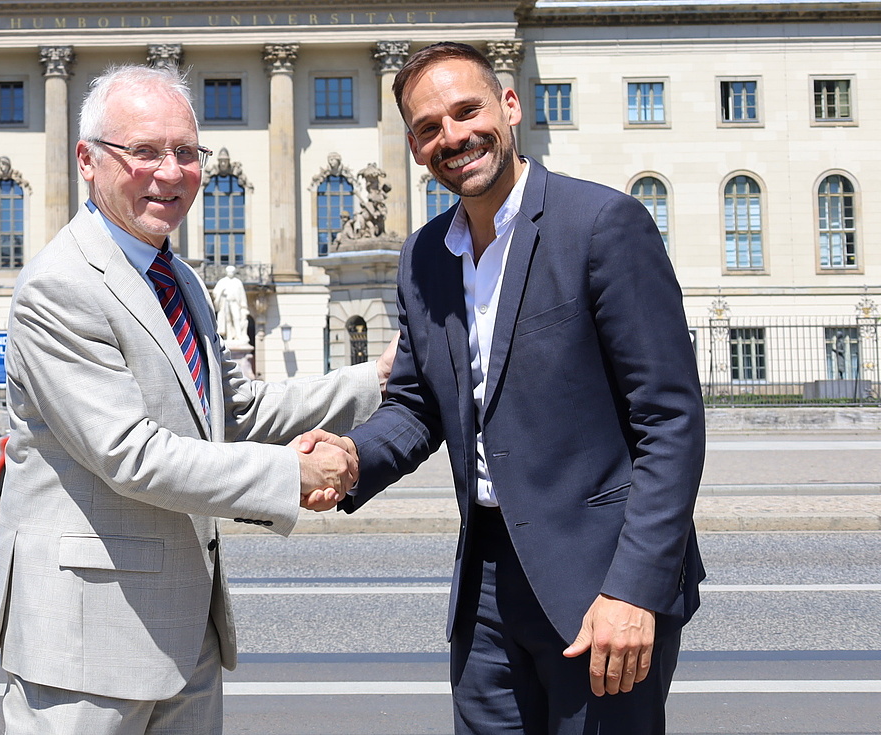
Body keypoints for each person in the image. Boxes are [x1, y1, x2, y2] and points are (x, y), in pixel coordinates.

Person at [302, 43, 705, 734]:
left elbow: (669, 422)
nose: (453, 137)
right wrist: (352, 456)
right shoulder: (424, 254)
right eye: (429, 127)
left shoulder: (601, 225)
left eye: (467, 111)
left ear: (509, 106)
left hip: (599, 579)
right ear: (415, 146)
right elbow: (419, 403)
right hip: (484, 585)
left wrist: (633, 589)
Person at [0, 64, 392, 734]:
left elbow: (240, 409)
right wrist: (293, 474)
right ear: (87, 160)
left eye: (185, 152)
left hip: (185, 632)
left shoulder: (177, 277)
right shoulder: (60, 286)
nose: (170, 172)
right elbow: (133, 455)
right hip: (87, 648)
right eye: (143, 152)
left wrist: (375, 379)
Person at [211, 265, 250, 346]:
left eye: (232, 272)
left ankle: (238, 335)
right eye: (229, 272)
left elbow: (242, 295)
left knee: (237, 318)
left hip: (235, 303)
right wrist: (221, 292)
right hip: (225, 303)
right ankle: (229, 336)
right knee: (227, 320)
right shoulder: (222, 281)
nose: (230, 273)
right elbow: (215, 292)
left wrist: (244, 306)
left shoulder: (237, 282)